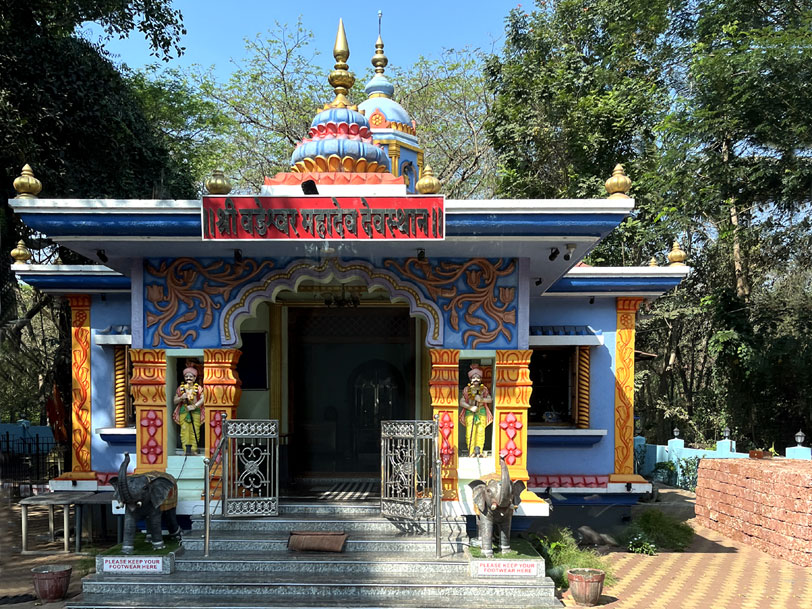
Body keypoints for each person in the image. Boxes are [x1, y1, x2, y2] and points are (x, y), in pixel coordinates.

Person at [459, 364, 493, 457]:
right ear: (470, 379)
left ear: (480, 379)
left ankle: (479, 451)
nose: (476, 379)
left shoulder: (484, 389)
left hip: (481, 411)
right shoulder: (467, 389)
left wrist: (481, 399)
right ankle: (471, 452)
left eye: (478, 377)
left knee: (481, 432)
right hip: (470, 412)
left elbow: (490, 399)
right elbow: (461, 402)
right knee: (470, 432)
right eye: (473, 377)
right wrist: (470, 407)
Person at [173, 366, 204, 454]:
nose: (188, 378)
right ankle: (186, 450)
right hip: (184, 410)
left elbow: (203, 399)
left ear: (195, 378)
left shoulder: (198, 388)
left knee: (195, 431)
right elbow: (175, 401)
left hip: (195, 411)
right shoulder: (181, 388)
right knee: (184, 431)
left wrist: (195, 406)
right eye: (186, 376)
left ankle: (193, 449)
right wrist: (181, 398)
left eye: (190, 376)